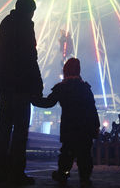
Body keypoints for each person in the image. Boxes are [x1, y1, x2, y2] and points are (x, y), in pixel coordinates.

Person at [0, 0, 43, 185]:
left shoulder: (5, 23)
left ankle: (1, 171)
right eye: (32, 11)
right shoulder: (24, 25)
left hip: (5, 84)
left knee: (4, 129)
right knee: (21, 131)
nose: (32, 15)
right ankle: (16, 172)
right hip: (20, 86)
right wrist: (36, 84)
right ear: (28, 10)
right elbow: (30, 57)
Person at [33, 58, 100, 188]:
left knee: (67, 153)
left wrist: (33, 99)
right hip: (85, 127)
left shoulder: (62, 87)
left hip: (69, 126)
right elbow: (92, 108)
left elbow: (48, 103)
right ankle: (84, 178)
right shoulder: (85, 88)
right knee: (84, 154)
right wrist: (95, 126)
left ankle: (63, 174)